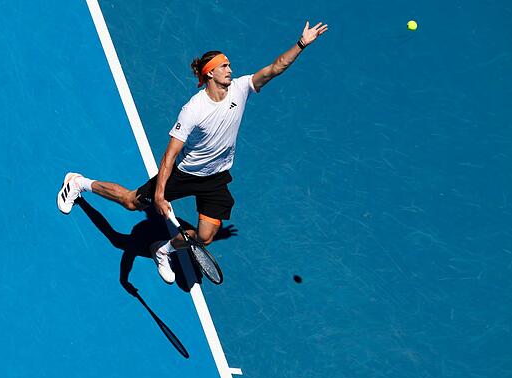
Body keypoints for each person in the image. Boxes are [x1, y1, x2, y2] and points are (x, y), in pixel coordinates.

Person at [58, 21, 329, 284]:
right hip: (185, 174)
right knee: (132, 203)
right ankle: (78, 183)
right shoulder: (194, 110)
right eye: (224, 65)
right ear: (210, 73)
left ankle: (163, 249)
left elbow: (276, 67)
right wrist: (161, 196)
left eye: (229, 65)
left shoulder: (241, 88)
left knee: (206, 235)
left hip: (216, 177)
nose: (230, 69)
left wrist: (301, 44)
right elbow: (169, 157)